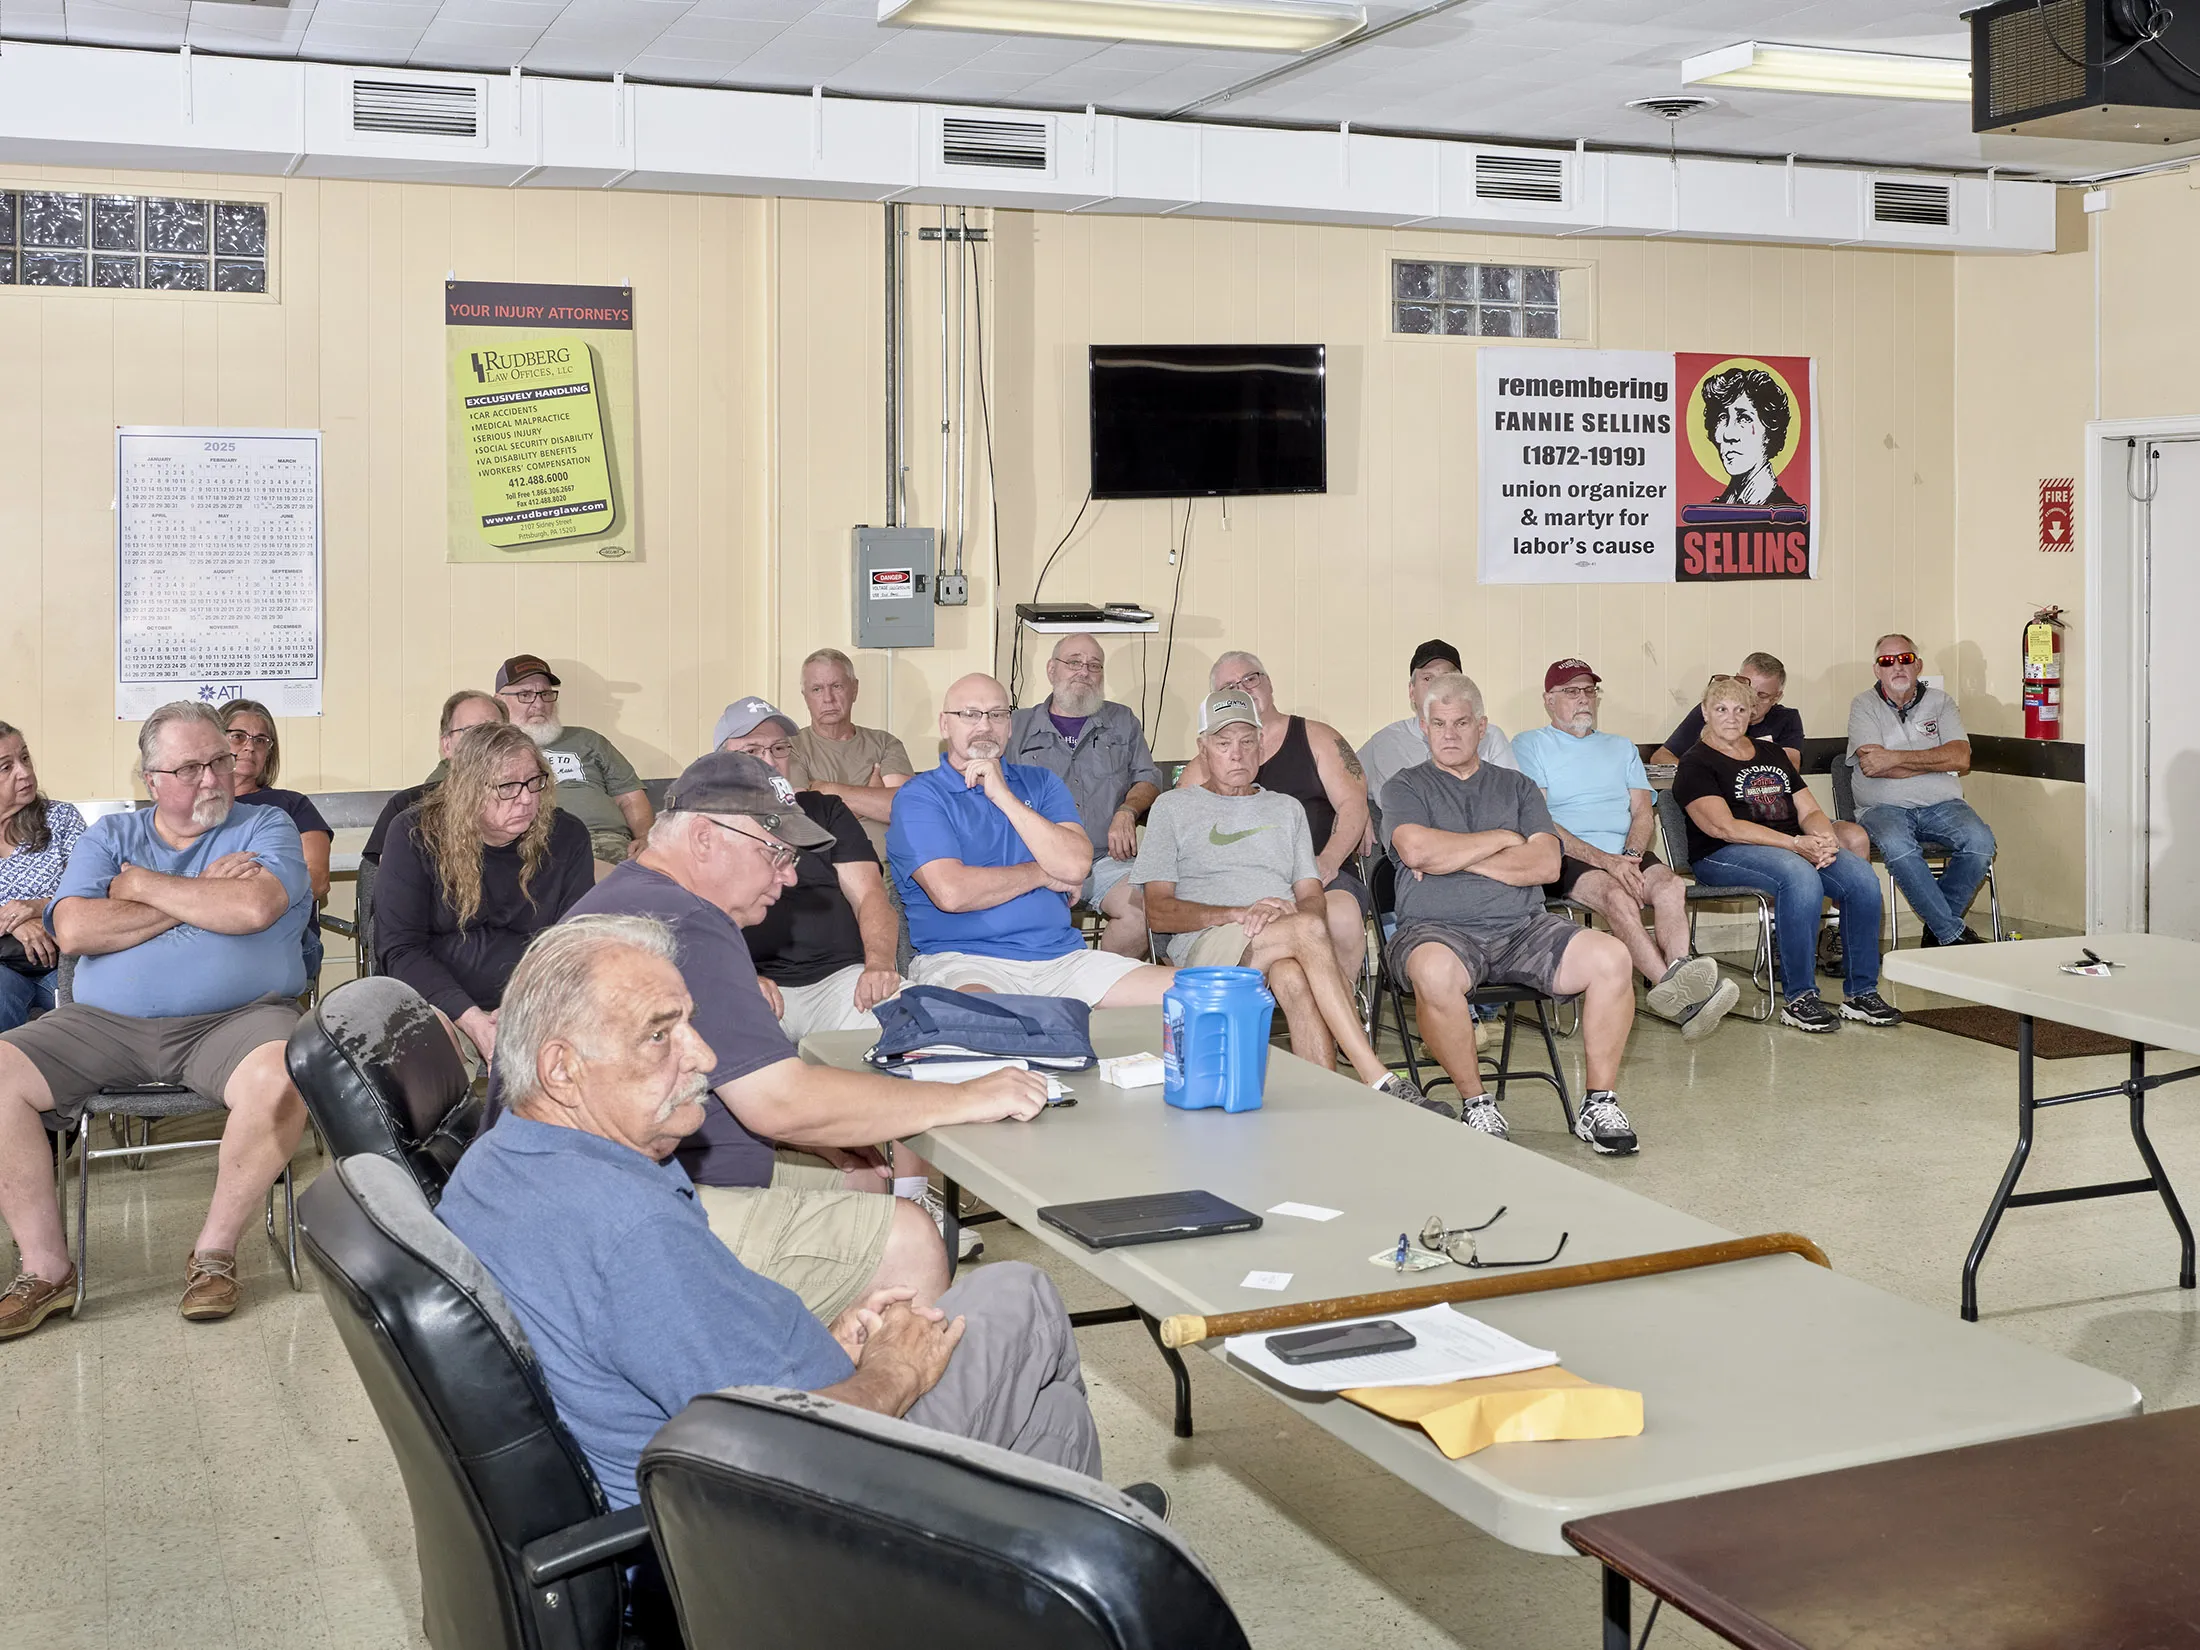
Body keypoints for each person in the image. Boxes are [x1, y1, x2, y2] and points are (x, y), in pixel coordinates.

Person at [436, 915, 1106, 1512]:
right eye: (659, 1035)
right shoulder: (625, 1228)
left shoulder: (495, 1164)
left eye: (689, 1022)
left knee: (1050, 1419)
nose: (702, 1055)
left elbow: (684, 1343)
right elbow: (776, 1445)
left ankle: (1074, 1568)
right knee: (1021, 1296)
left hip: (751, 1424)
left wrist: (830, 1347)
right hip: (774, 1510)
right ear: (562, 1070)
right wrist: (889, 1373)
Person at [567, 751, 1049, 1314]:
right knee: (910, 1235)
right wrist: (964, 1097)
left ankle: (811, 1362)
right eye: (775, 853)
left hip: (618, 1185)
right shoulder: (686, 925)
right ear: (704, 838)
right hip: (628, 1220)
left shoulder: (638, 898)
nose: (790, 876)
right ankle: (872, 1392)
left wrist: (832, 1138)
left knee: (864, 1178)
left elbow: (733, 1091)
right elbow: (779, 1103)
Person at [0, 702, 312, 1336]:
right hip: (102, 1024)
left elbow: (252, 907)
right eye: (192, 767)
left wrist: (138, 887)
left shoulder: (267, 824)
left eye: (221, 761)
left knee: (285, 1076)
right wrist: (197, 893)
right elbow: (76, 928)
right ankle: (46, 1270)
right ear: (153, 780)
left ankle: (214, 1253)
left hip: (239, 1021)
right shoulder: (111, 837)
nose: (214, 778)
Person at [1382, 673, 1640, 1153]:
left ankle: (1599, 1102)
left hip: (1525, 928)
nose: (1450, 733)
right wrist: (1505, 839)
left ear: (1482, 727)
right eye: (1439, 724)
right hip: (1435, 932)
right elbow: (1416, 851)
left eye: (1462, 723)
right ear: (1423, 727)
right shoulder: (1405, 787)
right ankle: (1476, 1102)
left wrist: (1454, 856)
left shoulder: (1517, 787)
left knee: (1612, 957)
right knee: (1435, 972)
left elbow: (1545, 863)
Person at [1136, 689, 1425, 1105]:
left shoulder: (1286, 809)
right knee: (1304, 931)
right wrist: (1239, 913)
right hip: (1210, 949)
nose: (1236, 754)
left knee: (1293, 972)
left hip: (1280, 936)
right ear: (1202, 750)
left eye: (1246, 741)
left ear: (1261, 746)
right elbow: (1158, 912)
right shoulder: (1173, 808)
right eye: (1222, 743)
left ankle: (1324, 1103)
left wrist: (1289, 911)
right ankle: (1374, 1075)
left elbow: (1311, 896)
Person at [890, 674, 1173, 1007]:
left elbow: (1076, 865)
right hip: (967, 964)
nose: (985, 725)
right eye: (969, 714)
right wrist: (1044, 874)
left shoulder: (1041, 783)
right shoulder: (920, 797)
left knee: (1201, 992)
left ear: (1009, 726)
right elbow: (951, 893)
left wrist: (1005, 797)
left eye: (997, 714)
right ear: (945, 724)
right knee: (986, 1020)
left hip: (1062, 961)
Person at [1513, 660, 1738, 1041]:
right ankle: (1681, 996)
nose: (1582, 699)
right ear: (1549, 700)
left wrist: (1631, 857)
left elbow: (1641, 812)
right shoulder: (1529, 744)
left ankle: (1682, 977)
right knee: (1618, 896)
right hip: (1566, 854)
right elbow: (1542, 821)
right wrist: (1608, 863)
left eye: (1588, 691)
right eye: (1571, 691)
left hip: (1623, 851)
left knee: (1671, 887)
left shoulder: (1620, 747)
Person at [1679, 675, 1900, 1033]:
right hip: (1722, 855)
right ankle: (1799, 998)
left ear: (1752, 713)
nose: (1731, 717)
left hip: (1790, 848)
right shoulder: (1696, 763)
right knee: (1798, 877)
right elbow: (1724, 828)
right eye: (1721, 709)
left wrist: (1825, 839)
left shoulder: (1771, 753)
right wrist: (1797, 845)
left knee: (1859, 879)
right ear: (1705, 712)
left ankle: (1862, 992)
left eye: (1740, 709)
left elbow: (1809, 811)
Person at [375, 723, 595, 1062]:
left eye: (535, 782)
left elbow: (574, 944)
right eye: (507, 786)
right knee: (424, 1048)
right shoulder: (414, 834)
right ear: (469, 790)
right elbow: (401, 948)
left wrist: (526, 1013)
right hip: (441, 1004)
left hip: (537, 1002)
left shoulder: (567, 837)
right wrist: (474, 1020)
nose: (525, 798)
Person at [712, 697, 901, 1037]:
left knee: (911, 1023)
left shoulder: (824, 810)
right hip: (752, 984)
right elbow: (691, 918)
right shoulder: (705, 822)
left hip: (844, 981)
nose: (769, 762)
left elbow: (871, 895)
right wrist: (734, 976)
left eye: (779, 749)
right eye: (752, 751)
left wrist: (879, 966)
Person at [1179, 651, 1369, 980]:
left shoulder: (1319, 737)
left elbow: (1354, 804)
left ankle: (1343, 1011)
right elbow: (1181, 831)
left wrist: (1329, 859)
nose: (1243, 689)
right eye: (1229, 687)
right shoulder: (1205, 763)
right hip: (1243, 882)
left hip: (1322, 872)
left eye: (1250, 678)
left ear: (1268, 684)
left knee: (1341, 918)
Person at [1007, 634, 1163, 959]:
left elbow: (1148, 778)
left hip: (1108, 859)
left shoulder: (1123, 721)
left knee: (1146, 910)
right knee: (1027, 922)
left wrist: (1127, 812)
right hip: (1037, 861)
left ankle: (1102, 994)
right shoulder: (1014, 727)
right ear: (1052, 670)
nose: (1084, 672)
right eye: (1074, 662)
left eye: (1094, 665)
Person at [1846, 636, 1999, 948]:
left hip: (1942, 804)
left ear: (1918, 665)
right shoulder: (1863, 705)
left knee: (1981, 842)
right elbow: (1874, 765)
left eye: (1905, 658)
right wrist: (1934, 760)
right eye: (1887, 661)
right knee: (1898, 847)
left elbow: (1960, 757)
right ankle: (1950, 933)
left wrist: (1896, 757)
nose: (1897, 666)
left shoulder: (1941, 702)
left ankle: (1939, 927)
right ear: (1877, 670)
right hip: (1882, 807)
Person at [494, 653, 654, 874]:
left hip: (605, 842)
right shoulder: (492, 749)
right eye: (525, 695)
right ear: (499, 700)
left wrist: (647, 839)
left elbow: (631, 797)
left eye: (546, 694)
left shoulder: (588, 740)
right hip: (535, 846)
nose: (539, 704)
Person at [219, 698, 334, 983]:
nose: (249, 746)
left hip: (282, 929)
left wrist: (255, 899)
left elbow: (317, 879)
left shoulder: (293, 805)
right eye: (237, 736)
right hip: (203, 929)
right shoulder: (193, 806)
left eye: (261, 740)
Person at [1358, 639, 1519, 836]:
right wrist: (1356, 809)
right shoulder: (1385, 743)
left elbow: (1513, 804)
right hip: (1418, 853)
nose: (1438, 686)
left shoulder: (1490, 736)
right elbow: (1339, 782)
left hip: (1488, 846)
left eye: (1447, 677)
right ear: (1411, 691)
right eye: (1428, 679)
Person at [786, 647, 915, 862]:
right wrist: (872, 794)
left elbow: (906, 809)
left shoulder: (885, 743)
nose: (828, 698)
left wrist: (826, 789)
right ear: (805, 696)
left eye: (837, 686)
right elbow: (807, 827)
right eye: (817, 689)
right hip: (827, 870)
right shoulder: (791, 748)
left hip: (890, 868)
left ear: (854, 689)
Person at [361, 690, 510, 867]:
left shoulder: (525, 803)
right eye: (471, 731)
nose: (485, 741)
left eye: (495, 730)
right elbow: (392, 885)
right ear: (447, 745)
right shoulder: (407, 808)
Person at [0, 724, 85, 1034]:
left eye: (25, 758)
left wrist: (38, 907)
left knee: (86, 1015)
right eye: (6, 767)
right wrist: (13, 922)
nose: (24, 773)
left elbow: (94, 891)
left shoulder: (61, 819)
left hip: (64, 957)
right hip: (4, 963)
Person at [1650, 652, 1803, 769]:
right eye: (1746, 689)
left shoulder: (1787, 719)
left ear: (1777, 697)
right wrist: (1696, 776)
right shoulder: (1713, 711)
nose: (1751, 700)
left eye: (1762, 696)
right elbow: (1661, 756)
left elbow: (1790, 768)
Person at [1702, 366, 1798, 509]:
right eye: (1722, 417)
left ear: (1769, 430)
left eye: (1744, 419)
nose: (1729, 434)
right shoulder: (1714, 509)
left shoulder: (1787, 515)